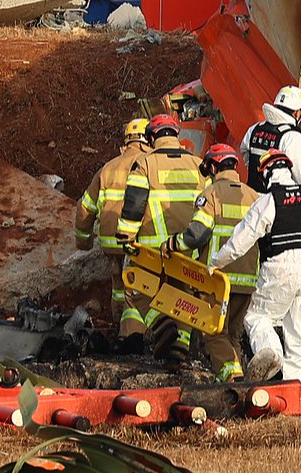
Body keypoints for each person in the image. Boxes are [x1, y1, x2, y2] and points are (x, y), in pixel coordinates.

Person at [213, 147, 301, 389]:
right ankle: (299, 387)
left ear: (265, 174)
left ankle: (270, 352)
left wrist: (214, 263)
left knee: (256, 316)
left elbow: (239, 243)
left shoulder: (268, 201)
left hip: (280, 266)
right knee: (298, 326)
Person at [129, 113, 209, 358]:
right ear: (177, 135)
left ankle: (161, 326)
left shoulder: (144, 164)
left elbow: (134, 203)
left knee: (136, 289)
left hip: (154, 249)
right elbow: (208, 208)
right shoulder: (198, 165)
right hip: (187, 249)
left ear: (152, 137)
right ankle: (178, 351)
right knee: (184, 298)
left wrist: (126, 235)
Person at [181, 143, 258, 382]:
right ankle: (242, 382)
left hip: (217, 280)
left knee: (214, 334)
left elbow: (198, 234)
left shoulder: (211, 194)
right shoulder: (253, 195)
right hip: (246, 281)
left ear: (213, 166)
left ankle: (231, 379)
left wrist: (174, 245)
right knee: (232, 336)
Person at [76, 117, 154, 338]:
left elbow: (85, 207)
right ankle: (132, 336)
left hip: (111, 242)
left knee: (118, 285)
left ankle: (117, 324)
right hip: (136, 241)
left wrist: (84, 241)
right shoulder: (150, 165)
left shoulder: (107, 169)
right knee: (135, 290)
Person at [244, 85, 301, 195]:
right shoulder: (294, 138)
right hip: (279, 204)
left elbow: (247, 157)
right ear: (297, 113)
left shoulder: (254, 129)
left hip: (252, 199)